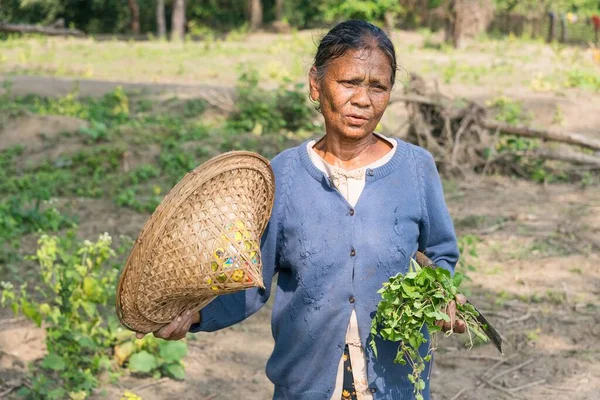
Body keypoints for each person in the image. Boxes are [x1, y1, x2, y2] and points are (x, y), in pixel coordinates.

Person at [136, 20, 468, 400]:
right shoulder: (286, 175)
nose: (363, 99)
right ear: (316, 83)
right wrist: (193, 316)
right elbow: (251, 278)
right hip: (305, 386)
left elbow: (441, 252)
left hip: (396, 385)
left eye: (378, 87)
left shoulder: (414, 168)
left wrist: (440, 294)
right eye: (349, 83)